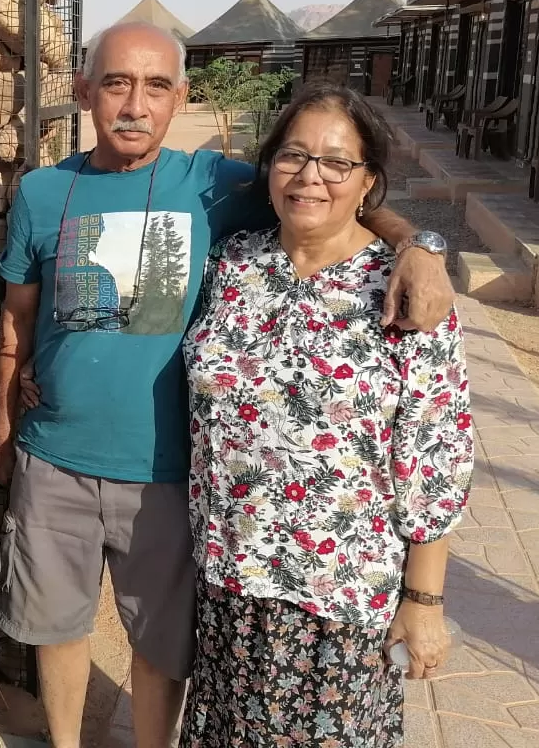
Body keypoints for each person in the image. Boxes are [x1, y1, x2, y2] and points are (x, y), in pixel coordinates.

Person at [0, 22, 456, 748]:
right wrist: (2, 421)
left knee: (161, 644)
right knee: (57, 630)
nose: (134, 104)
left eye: (155, 86)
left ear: (180, 97)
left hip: (173, 476)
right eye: (115, 82)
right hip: (63, 462)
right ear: (83, 92)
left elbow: (340, 197)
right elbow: (16, 324)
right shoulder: (44, 193)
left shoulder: (217, 183)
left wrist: (418, 245)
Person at [180, 84, 473, 747]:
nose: (311, 175)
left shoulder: (406, 292)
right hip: (232, 585)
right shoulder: (233, 265)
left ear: (368, 180)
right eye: (293, 155)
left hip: (340, 598)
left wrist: (423, 603)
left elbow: (435, 459)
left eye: (337, 162)